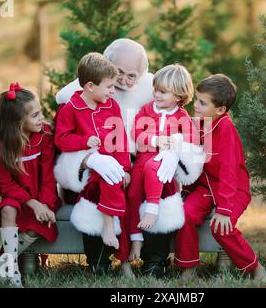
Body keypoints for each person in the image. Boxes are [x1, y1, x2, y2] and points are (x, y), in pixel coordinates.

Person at [53, 39, 205, 278]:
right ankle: (100, 261)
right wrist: (89, 160)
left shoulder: (154, 91)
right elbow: (63, 144)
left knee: (159, 191)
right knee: (95, 192)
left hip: (143, 161)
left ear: (142, 75)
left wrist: (174, 154)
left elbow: (183, 133)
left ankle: (154, 261)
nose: (122, 81)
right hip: (97, 163)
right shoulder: (76, 96)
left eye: (131, 75)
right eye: (118, 72)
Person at [174, 74, 266, 282]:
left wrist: (224, 209)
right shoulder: (199, 124)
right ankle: (188, 267)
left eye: (202, 102)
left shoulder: (225, 128)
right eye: (197, 99)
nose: (196, 105)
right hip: (206, 188)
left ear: (220, 110)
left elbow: (229, 171)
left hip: (233, 189)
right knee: (186, 215)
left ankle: (255, 267)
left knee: (221, 227)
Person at [54, 52, 131, 272]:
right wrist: (84, 140)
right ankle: (99, 262)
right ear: (90, 86)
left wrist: (126, 169)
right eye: (109, 87)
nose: (113, 91)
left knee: (115, 180)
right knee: (100, 184)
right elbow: (61, 140)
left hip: (113, 169)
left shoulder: (112, 107)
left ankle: (123, 259)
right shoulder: (70, 109)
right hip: (85, 173)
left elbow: (121, 140)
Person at [127, 64, 200, 278]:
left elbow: (193, 139)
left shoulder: (182, 117)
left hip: (164, 167)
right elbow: (136, 133)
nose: (156, 94)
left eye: (162, 91)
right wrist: (154, 139)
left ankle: (156, 258)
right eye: (155, 89)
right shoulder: (147, 109)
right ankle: (136, 238)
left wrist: (176, 140)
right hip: (142, 160)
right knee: (131, 194)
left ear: (178, 96)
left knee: (156, 176)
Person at [0, 83, 62, 287]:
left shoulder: (44, 136)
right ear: (17, 122)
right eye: (35, 115)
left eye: (40, 113)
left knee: (40, 223)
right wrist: (31, 203)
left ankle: (2, 264)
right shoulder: (2, 148)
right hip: (18, 197)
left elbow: (48, 177)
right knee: (8, 208)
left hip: (43, 196)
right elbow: (5, 185)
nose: (42, 118)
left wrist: (43, 204)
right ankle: (11, 271)